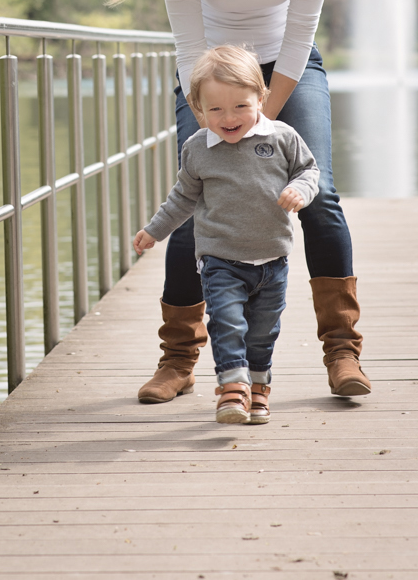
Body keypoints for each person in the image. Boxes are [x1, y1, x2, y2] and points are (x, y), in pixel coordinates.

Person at [110, 0, 372, 401]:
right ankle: (178, 358)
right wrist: (219, 121)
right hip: (210, 75)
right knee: (198, 196)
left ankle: (342, 351)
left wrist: (260, 125)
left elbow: (299, 39)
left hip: (287, 68)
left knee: (319, 193)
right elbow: (189, 50)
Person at [133, 46, 321, 424]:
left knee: (263, 332)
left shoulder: (282, 137)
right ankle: (232, 387)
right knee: (227, 322)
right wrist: (155, 230)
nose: (229, 118)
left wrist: (300, 190)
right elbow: (182, 198)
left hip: (272, 258)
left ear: (260, 98)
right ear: (198, 109)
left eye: (240, 106)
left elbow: (309, 171)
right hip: (220, 258)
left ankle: (258, 388)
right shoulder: (198, 148)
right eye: (216, 109)